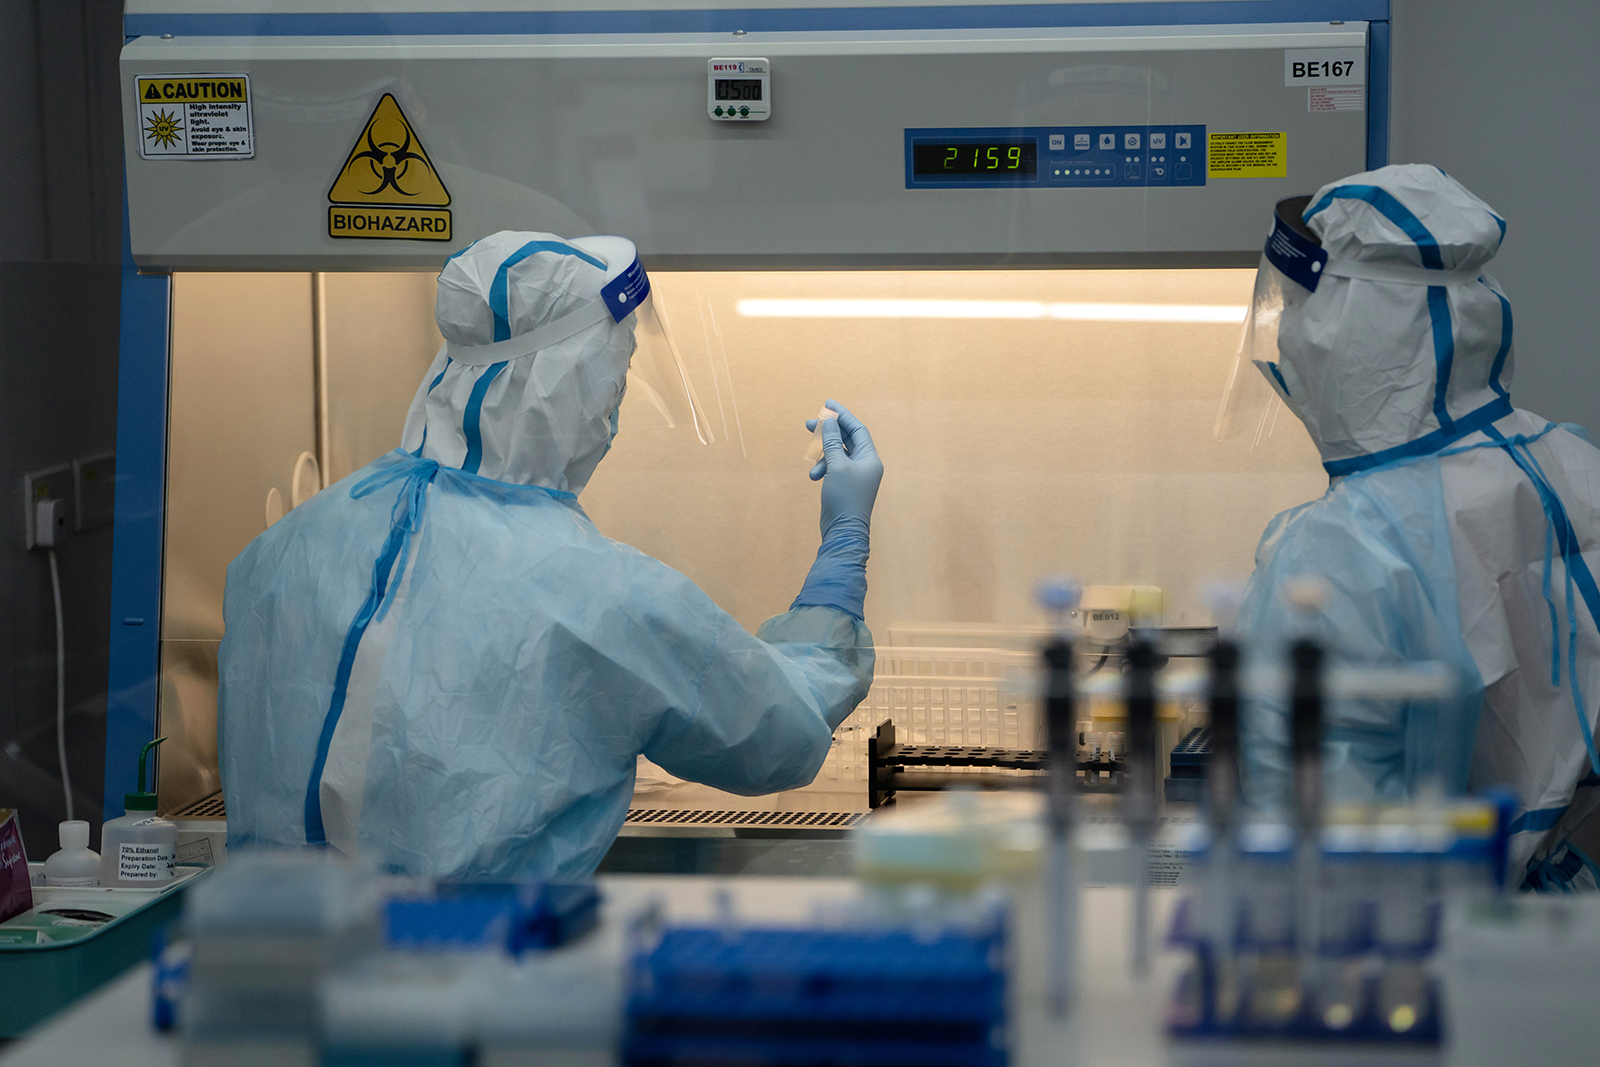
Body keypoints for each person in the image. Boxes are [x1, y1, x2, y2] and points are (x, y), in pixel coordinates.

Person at [218, 231, 881, 880]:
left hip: (267, 969)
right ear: (571, 389)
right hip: (473, 974)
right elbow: (774, 733)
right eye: (614, 380)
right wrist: (841, 556)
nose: (612, 414)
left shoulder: (279, 552)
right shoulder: (597, 592)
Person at [1227, 164, 1600, 890]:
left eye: (1301, 311)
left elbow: (1320, 851)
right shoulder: (1574, 463)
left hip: (1432, 953)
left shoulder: (1337, 552)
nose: (1289, 338)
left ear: (1352, 334)